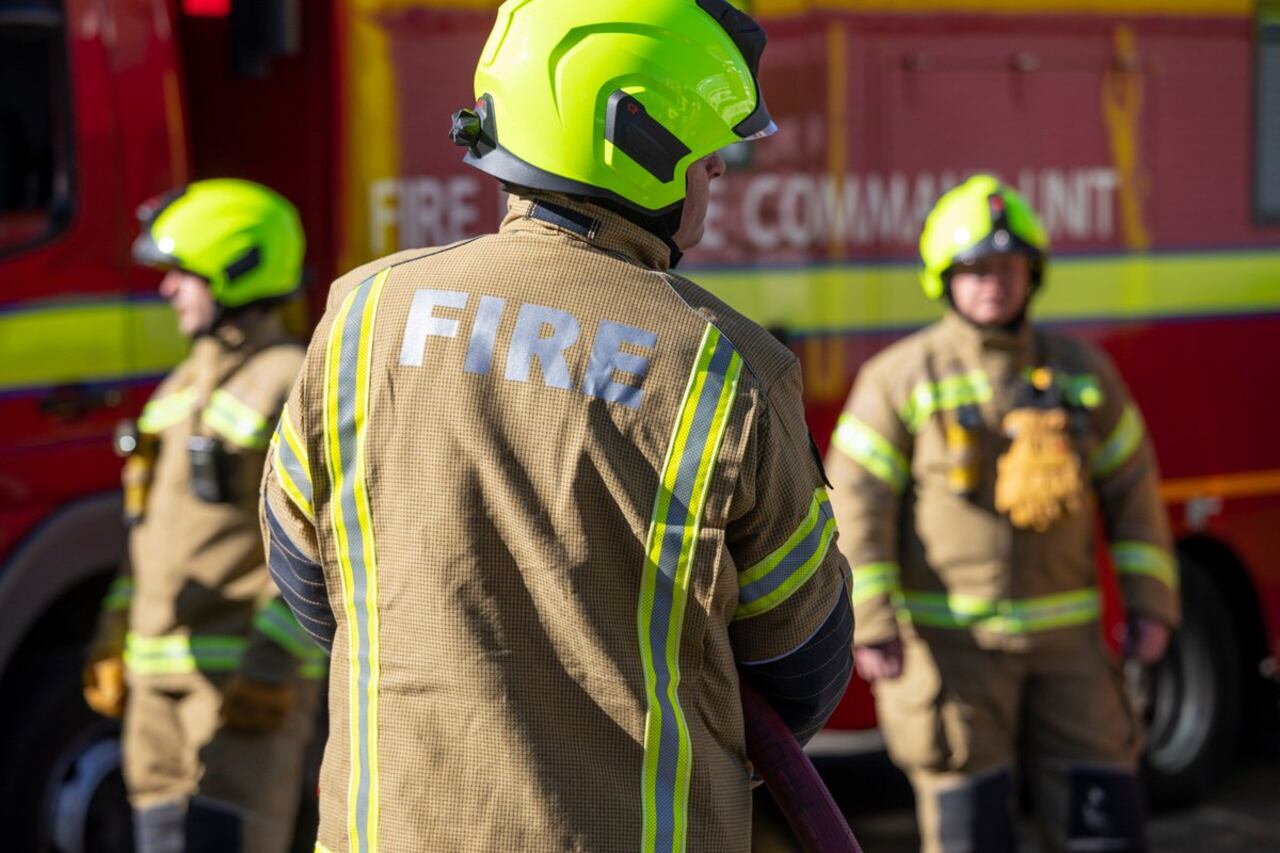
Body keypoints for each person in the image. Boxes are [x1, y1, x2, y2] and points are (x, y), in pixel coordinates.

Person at [260, 2, 853, 851]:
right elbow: (800, 661)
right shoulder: (722, 366)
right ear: (638, 138)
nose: (719, 170)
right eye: (709, 145)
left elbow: (308, 580)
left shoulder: (361, 314)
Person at [827, 174, 1179, 852]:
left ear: (1033, 275)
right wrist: (870, 621)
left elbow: (1133, 489)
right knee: (971, 831)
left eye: (1010, 267)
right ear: (945, 277)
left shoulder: (1081, 372)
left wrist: (1152, 605)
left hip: (1069, 648)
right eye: (977, 268)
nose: (995, 282)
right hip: (953, 653)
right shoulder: (900, 378)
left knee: (1101, 822)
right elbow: (855, 505)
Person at [83, 178, 327, 852]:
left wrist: (274, 666)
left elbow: (318, 544)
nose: (168, 291)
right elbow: (145, 534)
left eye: (182, 275)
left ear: (238, 267)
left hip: (243, 685)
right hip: (156, 680)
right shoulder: (178, 386)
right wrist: (113, 635)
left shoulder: (289, 377)